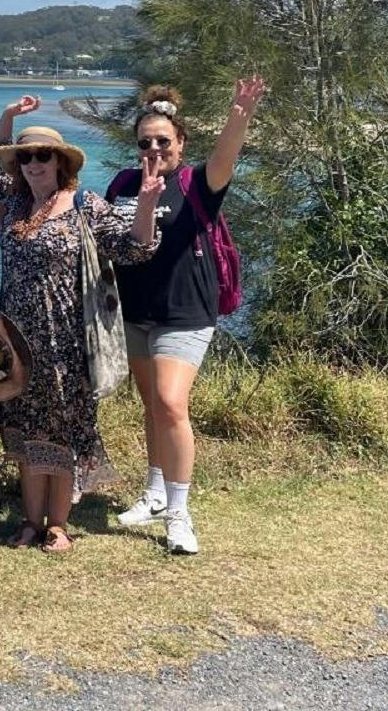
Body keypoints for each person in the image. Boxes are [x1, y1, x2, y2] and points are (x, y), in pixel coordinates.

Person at [0, 101, 162, 554]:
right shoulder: (16, 200)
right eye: (25, 157)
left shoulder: (84, 205)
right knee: (25, 430)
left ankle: (58, 524)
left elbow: (134, 249)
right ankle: (29, 520)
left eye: (43, 156)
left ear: (61, 162)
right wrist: (8, 114)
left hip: (67, 340)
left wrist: (146, 203)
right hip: (17, 339)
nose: (34, 164)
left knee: (63, 431)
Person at [111, 78, 267, 556]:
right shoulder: (124, 183)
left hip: (186, 312)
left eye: (163, 140)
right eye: (145, 142)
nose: (154, 148)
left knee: (171, 403)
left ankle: (179, 511)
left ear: (181, 142)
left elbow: (226, 159)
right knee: (151, 406)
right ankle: (155, 492)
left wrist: (238, 114)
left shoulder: (197, 182)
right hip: (136, 310)